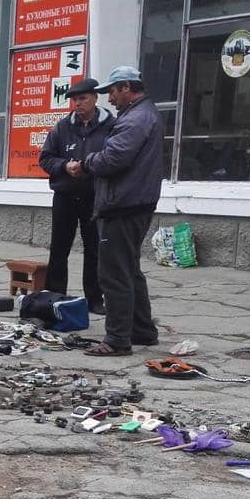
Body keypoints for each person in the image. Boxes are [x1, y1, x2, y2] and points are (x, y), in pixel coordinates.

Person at [76, 66, 163, 356]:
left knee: (114, 274)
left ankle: (116, 340)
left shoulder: (136, 118)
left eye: (111, 91)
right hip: (134, 202)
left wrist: (87, 162)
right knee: (130, 269)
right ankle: (142, 330)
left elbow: (114, 158)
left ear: (127, 87)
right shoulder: (142, 114)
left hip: (122, 205)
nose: (109, 99)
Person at [38, 78, 112, 315]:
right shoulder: (62, 127)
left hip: (94, 195)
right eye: (74, 100)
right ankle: (55, 295)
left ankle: (94, 298)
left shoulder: (110, 124)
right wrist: (64, 166)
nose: (77, 104)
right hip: (65, 195)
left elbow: (116, 157)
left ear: (94, 98)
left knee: (94, 249)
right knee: (59, 248)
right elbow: (45, 158)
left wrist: (91, 167)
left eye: (82, 99)